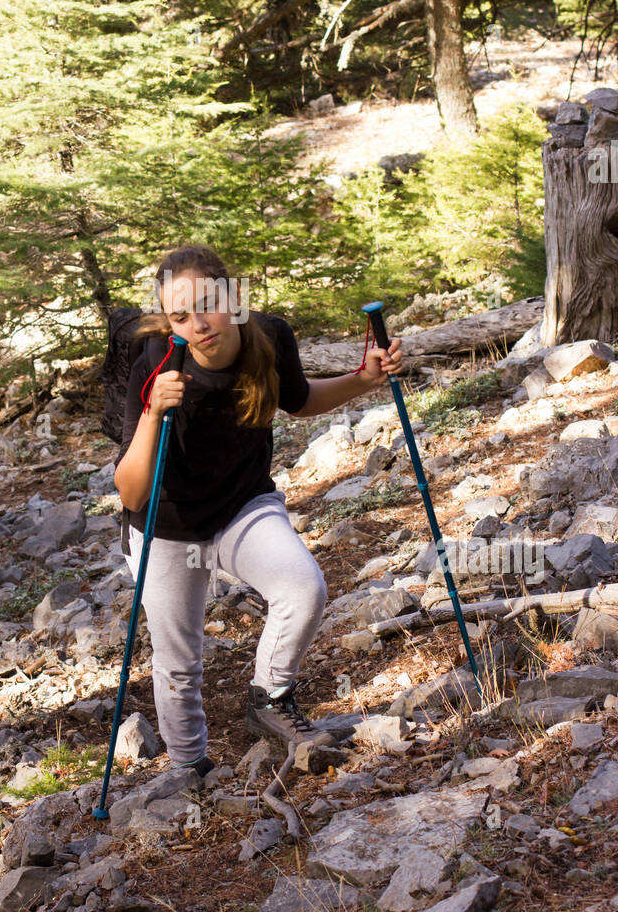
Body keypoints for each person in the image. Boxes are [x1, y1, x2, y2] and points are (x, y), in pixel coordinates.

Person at [113, 243, 403, 775]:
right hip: (168, 525)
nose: (198, 324)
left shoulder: (269, 337)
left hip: (243, 505)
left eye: (208, 304)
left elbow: (298, 398)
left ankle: (269, 701)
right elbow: (131, 493)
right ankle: (188, 770)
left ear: (236, 296)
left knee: (302, 587)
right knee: (179, 664)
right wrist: (155, 412)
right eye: (181, 316)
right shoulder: (156, 363)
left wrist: (364, 380)